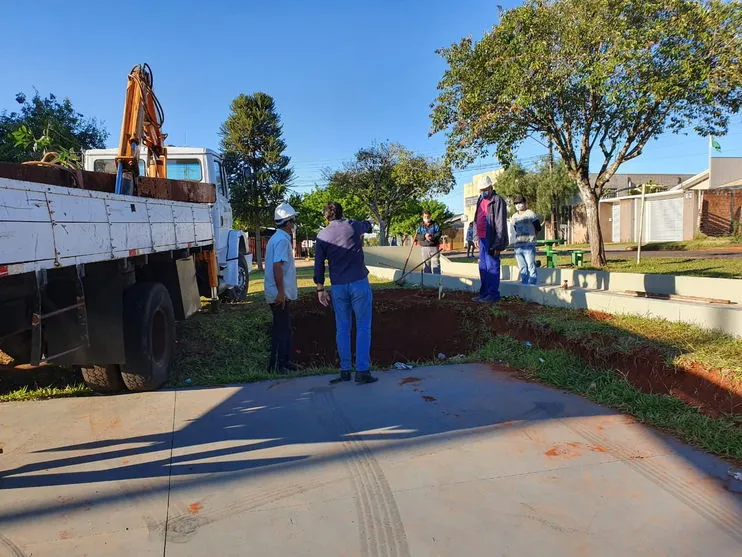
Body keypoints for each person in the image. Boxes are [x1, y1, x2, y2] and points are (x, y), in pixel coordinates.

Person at [314, 201, 378, 385]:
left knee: (342, 327)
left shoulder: (322, 236)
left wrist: (320, 289)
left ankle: (345, 370)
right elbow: (368, 225)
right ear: (341, 213)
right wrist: (369, 222)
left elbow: (319, 264)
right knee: (363, 326)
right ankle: (362, 371)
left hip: (338, 286)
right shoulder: (352, 225)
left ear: (326, 217)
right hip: (358, 282)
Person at [264, 202, 299, 373]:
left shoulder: (277, 238)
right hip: (279, 294)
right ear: (288, 222)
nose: (294, 225)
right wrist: (281, 292)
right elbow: (277, 266)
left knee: (283, 328)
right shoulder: (282, 241)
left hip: (278, 292)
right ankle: (280, 365)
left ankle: (281, 363)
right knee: (282, 330)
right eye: (293, 220)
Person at [472, 176, 508, 303]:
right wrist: (476, 236)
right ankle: (484, 293)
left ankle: (493, 295)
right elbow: (476, 218)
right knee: (483, 267)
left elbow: (500, 224)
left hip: (491, 238)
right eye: (481, 190)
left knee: (492, 266)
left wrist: (498, 244)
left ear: (491, 188)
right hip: (481, 238)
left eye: (485, 189)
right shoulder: (480, 200)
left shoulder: (497, 201)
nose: (483, 192)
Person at [509, 194, 542, 285]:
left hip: (529, 244)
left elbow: (538, 227)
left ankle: (532, 283)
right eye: (516, 203)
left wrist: (532, 237)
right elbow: (514, 229)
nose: (518, 205)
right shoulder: (514, 216)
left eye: (520, 202)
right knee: (522, 266)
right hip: (518, 245)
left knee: (530, 265)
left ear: (525, 203)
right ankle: (524, 283)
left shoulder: (531, 214)